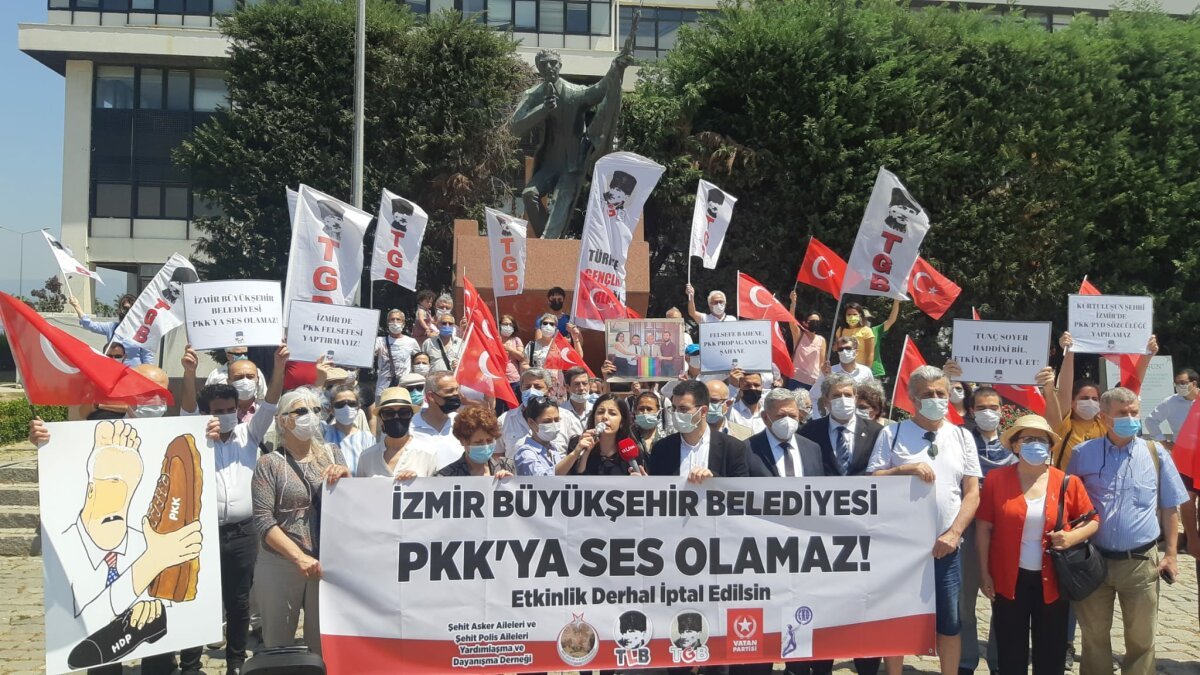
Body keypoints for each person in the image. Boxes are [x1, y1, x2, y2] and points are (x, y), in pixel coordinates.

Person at [178, 343, 286, 675]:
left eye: (229, 409)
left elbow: (271, 402)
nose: (225, 414)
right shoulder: (195, 439)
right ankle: (190, 664)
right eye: (218, 410)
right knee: (198, 599)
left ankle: (236, 662)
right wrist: (189, 373)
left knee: (239, 601)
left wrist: (279, 366)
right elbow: (186, 410)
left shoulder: (247, 433)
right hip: (203, 533)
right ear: (207, 413)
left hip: (242, 533)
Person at [867, 365, 982, 675]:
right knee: (897, 617)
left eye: (941, 393)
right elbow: (872, 482)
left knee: (950, 621)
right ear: (913, 399)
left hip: (946, 547)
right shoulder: (892, 433)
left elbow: (972, 492)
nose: (936, 399)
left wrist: (954, 534)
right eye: (928, 394)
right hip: (899, 547)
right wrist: (901, 470)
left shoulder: (962, 436)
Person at [1067, 387, 1188, 675]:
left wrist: (1171, 555)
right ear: (1104, 417)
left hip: (1141, 562)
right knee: (1094, 637)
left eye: (1134, 412)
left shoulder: (1155, 453)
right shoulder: (1083, 454)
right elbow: (1070, 503)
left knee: (1142, 638)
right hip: (1093, 560)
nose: (1131, 418)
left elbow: (1170, 507)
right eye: (1123, 413)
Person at [976, 415, 1099, 675]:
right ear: (1015, 445)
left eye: (1041, 440)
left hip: (1053, 578)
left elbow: (1093, 520)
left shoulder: (1067, 482)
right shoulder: (996, 479)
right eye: (1028, 439)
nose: (1035, 445)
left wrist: (1072, 538)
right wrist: (984, 573)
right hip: (1008, 578)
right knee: (1010, 650)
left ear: (1050, 446)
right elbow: (984, 527)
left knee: (1051, 651)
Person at [251, 386, 346, 656]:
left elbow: (349, 505)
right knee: (278, 642)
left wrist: (347, 478)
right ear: (283, 420)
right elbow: (263, 520)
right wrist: (298, 557)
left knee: (323, 643)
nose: (310, 416)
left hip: (324, 562)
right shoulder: (269, 463)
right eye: (301, 411)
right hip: (280, 562)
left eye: (315, 410)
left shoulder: (332, 453)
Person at [949, 380, 1021, 675]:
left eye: (993, 407)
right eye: (981, 408)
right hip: (967, 530)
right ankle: (966, 661)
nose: (988, 412)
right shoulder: (959, 443)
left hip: (1002, 533)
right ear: (971, 410)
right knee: (964, 603)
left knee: (1002, 603)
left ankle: (998, 662)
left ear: (1002, 411)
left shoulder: (1013, 446)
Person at [1044, 331, 1157, 469]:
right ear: (1072, 402)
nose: (1090, 402)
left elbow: (1131, 390)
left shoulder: (1104, 423)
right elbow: (1064, 390)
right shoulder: (1064, 425)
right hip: (1070, 482)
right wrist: (1069, 352)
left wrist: (1147, 356)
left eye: (1094, 399)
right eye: (1084, 398)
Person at [647, 379, 750, 481]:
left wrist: (715, 480)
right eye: (674, 408)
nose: (676, 413)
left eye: (683, 409)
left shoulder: (733, 448)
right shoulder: (661, 449)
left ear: (703, 411)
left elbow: (742, 488)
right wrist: (643, 483)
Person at [801, 374, 884, 479]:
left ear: (855, 398)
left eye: (848, 395)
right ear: (826, 401)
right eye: (837, 396)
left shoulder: (876, 432)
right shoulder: (809, 431)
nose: (843, 399)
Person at [354, 387, 441, 479]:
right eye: (389, 413)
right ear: (380, 419)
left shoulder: (428, 453)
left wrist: (418, 482)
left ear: (411, 417)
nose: (396, 417)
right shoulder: (366, 457)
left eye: (404, 413)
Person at [747, 388, 823, 478]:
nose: (787, 421)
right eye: (781, 416)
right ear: (765, 417)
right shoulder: (748, 450)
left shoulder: (813, 449)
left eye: (792, 416)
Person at [567, 394, 646, 475]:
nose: (605, 417)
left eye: (612, 413)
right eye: (600, 412)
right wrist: (584, 453)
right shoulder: (577, 444)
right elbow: (575, 478)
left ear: (622, 422)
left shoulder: (632, 450)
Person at [498, 369, 570, 458]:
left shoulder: (567, 418)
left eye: (537, 387)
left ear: (549, 390)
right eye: (527, 387)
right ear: (521, 389)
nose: (531, 391)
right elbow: (497, 455)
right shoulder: (505, 420)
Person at [68, 294, 155, 366]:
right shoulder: (112, 327)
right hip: (114, 372)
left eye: (131, 308)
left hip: (135, 375)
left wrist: (148, 375)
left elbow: (147, 357)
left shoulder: (143, 332)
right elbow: (90, 325)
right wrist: (76, 306)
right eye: (125, 308)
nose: (127, 312)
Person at [437, 405, 516, 477]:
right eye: (478, 442)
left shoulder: (508, 466)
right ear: (463, 441)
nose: (485, 446)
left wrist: (509, 483)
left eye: (489, 440)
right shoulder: (446, 476)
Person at [411, 370, 465, 470]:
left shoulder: (463, 423)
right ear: (431, 396)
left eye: (457, 389)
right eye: (449, 391)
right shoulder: (410, 427)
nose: (456, 394)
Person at [514, 395, 579, 476]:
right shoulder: (525, 453)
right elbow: (544, 479)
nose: (554, 424)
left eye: (556, 420)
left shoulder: (552, 448)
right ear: (531, 423)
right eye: (547, 421)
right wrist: (574, 453)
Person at [321, 383, 374, 476]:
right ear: (332, 409)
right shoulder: (323, 432)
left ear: (358, 407)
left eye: (352, 404)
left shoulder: (367, 438)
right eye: (340, 404)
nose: (346, 408)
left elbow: (372, 473)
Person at [810, 337, 874, 411]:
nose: (844, 351)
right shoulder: (829, 371)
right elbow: (814, 395)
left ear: (856, 352)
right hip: (836, 414)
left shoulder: (866, 372)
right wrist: (826, 378)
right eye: (841, 349)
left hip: (859, 415)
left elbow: (872, 397)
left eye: (848, 348)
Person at [375, 309, 422, 397]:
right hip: (383, 389)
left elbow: (419, 360)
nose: (395, 322)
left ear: (403, 323)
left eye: (398, 319)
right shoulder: (379, 341)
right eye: (392, 319)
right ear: (388, 323)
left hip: (404, 388)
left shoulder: (411, 342)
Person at [1145, 367, 1198, 445]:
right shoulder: (1170, 402)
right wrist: (1164, 443)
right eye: (1176, 383)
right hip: (1181, 448)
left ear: (1194, 384)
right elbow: (1150, 421)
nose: (1179, 386)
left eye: (1182, 383)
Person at [786, 294, 826, 390]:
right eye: (812, 322)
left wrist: (822, 379)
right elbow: (791, 321)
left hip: (813, 382)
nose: (815, 324)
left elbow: (822, 362)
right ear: (805, 323)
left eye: (817, 322)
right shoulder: (799, 335)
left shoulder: (821, 340)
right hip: (796, 379)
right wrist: (793, 303)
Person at [835, 302, 875, 369]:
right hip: (843, 369)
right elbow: (839, 350)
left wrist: (867, 370)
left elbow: (870, 354)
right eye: (849, 314)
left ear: (860, 315)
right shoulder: (840, 330)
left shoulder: (867, 331)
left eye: (854, 314)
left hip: (860, 369)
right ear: (845, 316)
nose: (852, 317)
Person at [869, 299, 901, 382]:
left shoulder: (875, 330)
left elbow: (891, 320)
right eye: (864, 318)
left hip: (874, 372)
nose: (867, 321)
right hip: (857, 371)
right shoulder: (852, 332)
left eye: (869, 318)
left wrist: (896, 301)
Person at [559, 366, 595, 439]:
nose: (581, 388)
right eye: (576, 384)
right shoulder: (560, 412)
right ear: (567, 388)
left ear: (589, 385)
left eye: (585, 383)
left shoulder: (595, 410)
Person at [728, 371, 767, 435]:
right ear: (739, 389)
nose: (753, 388)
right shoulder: (732, 411)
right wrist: (733, 386)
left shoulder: (768, 412)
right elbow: (725, 406)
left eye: (756, 385)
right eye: (747, 386)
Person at [631, 390, 665, 456]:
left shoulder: (667, 436)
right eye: (641, 409)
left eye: (649, 409)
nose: (645, 412)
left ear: (658, 412)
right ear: (635, 411)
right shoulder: (629, 436)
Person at [499, 314, 525, 399]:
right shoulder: (495, 340)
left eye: (510, 324)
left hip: (514, 379)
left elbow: (521, 357)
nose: (508, 326)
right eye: (505, 324)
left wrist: (509, 349)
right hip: (499, 378)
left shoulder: (516, 340)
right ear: (500, 325)